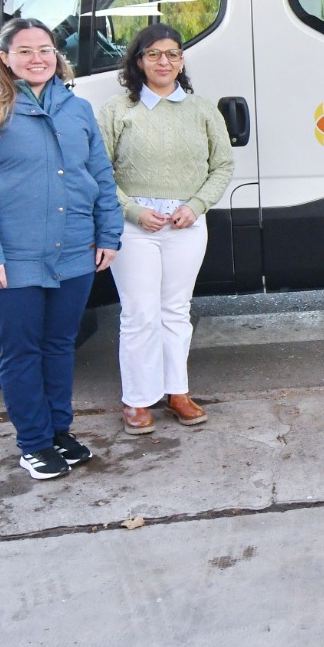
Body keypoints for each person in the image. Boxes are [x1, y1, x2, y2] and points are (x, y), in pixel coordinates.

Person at [0, 18, 122, 480]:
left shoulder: (77, 109)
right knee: (22, 352)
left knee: (59, 346)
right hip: (9, 258)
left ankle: (59, 432)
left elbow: (100, 175)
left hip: (73, 252)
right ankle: (34, 443)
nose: (37, 58)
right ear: (5, 58)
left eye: (45, 49)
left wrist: (108, 233)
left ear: (56, 55)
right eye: (24, 51)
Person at [98, 25, 234, 436]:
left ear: (181, 60)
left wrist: (196, 206)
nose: (164, 62)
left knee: (176, 311)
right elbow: (99, 172)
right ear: (138, 61)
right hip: (134, 228)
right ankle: (137, 400)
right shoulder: (117, 110)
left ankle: (177, 392)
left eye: (172, 54)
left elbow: (222, 165)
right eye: (154, 54)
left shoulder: (201, 110)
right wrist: (134, 211)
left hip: (186, 226)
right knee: (140, 313)